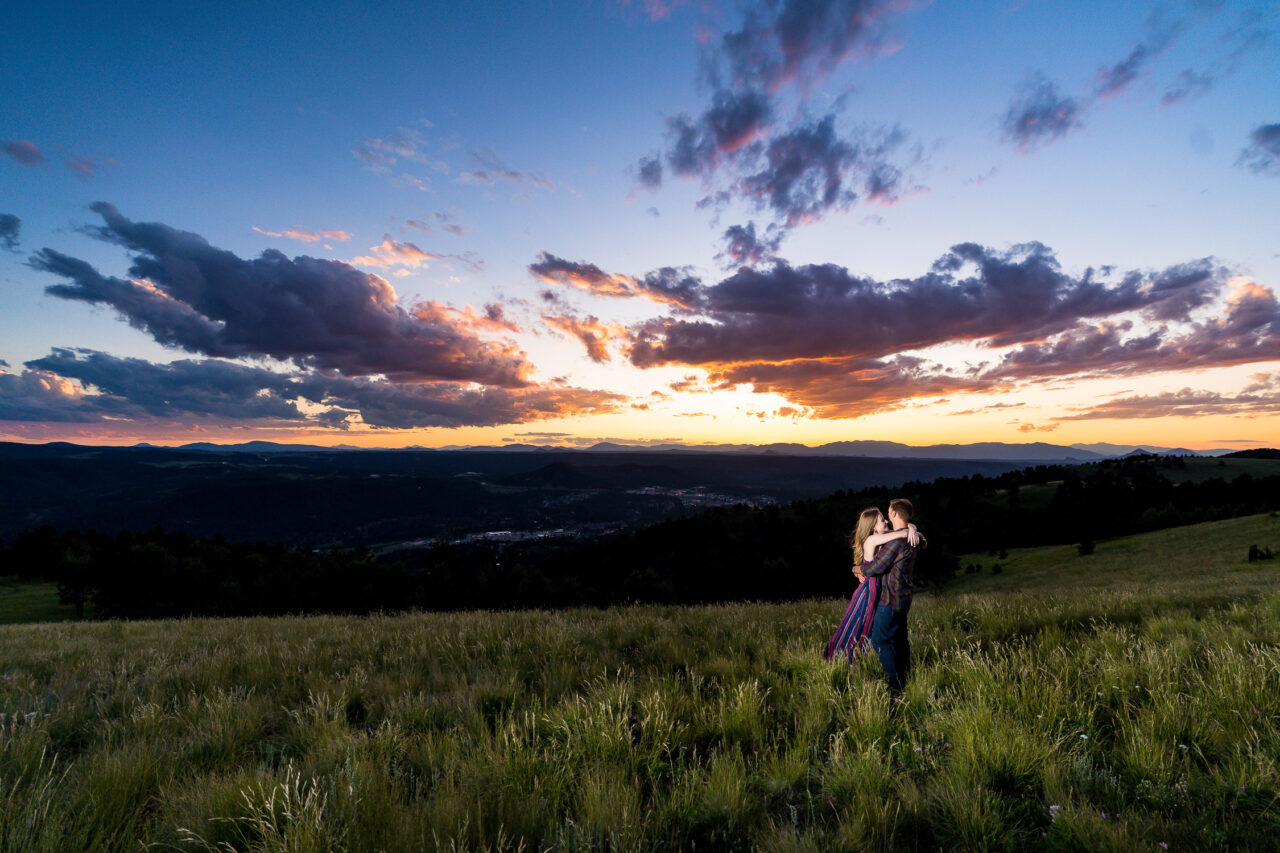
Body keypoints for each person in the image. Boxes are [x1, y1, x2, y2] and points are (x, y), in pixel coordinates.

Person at [824, 506, 920, 665]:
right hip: (869, 591)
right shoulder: (872, 540)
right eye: (882, 520)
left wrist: (912, 528)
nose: (886, 521)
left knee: (869, 629)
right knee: (858, 626)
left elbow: (903, 531)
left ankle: (856, 661)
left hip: (877, 590)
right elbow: (902, 533)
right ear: (873, 527)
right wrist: (911, 530)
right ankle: (843, 660)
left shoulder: (883, 537)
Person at [860, 498, 921, 698]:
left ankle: (897, 686)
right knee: (900, 640)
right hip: (904, 598)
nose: (887, 517)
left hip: (890, 600)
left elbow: (873, 569)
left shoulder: (896, 542)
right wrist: (912, 527)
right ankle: (906, 677)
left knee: (879, 640)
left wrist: (858, 568)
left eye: (888, 512)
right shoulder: (911, 537)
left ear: (894, 513)